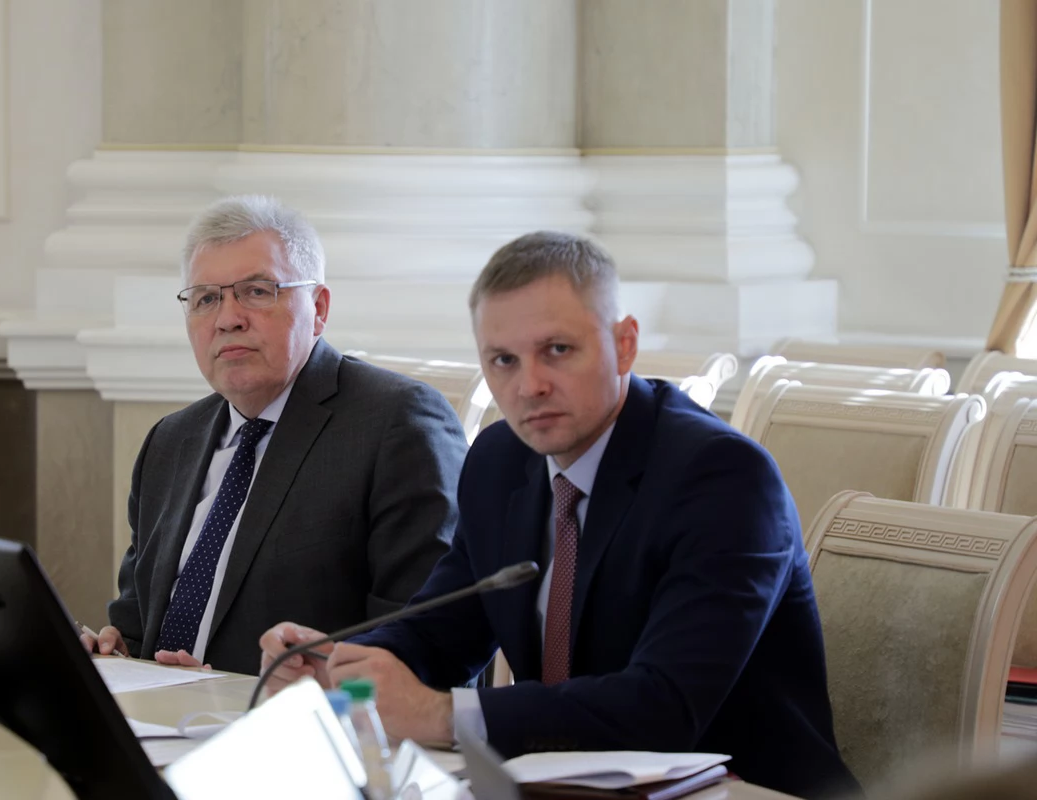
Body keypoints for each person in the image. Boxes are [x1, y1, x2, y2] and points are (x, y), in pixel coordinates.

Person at [260, 231, 860, 799]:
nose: (530, 386)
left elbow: (665, 707)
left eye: (557, 351)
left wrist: (442, 715)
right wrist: (340, 665)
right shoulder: (500, 460)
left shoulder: (723, 478)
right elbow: (440, 633)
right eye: (503, 360)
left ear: (625, 343)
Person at [82, 195, 467, 676]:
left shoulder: (397, 424)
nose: (228, 318)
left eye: (257, 291)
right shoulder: (170, 441)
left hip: (299, 715)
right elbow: (137, 625)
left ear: (318, 308)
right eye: (206, 298)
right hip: (160, 713)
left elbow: (431, 642)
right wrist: (115, 651)